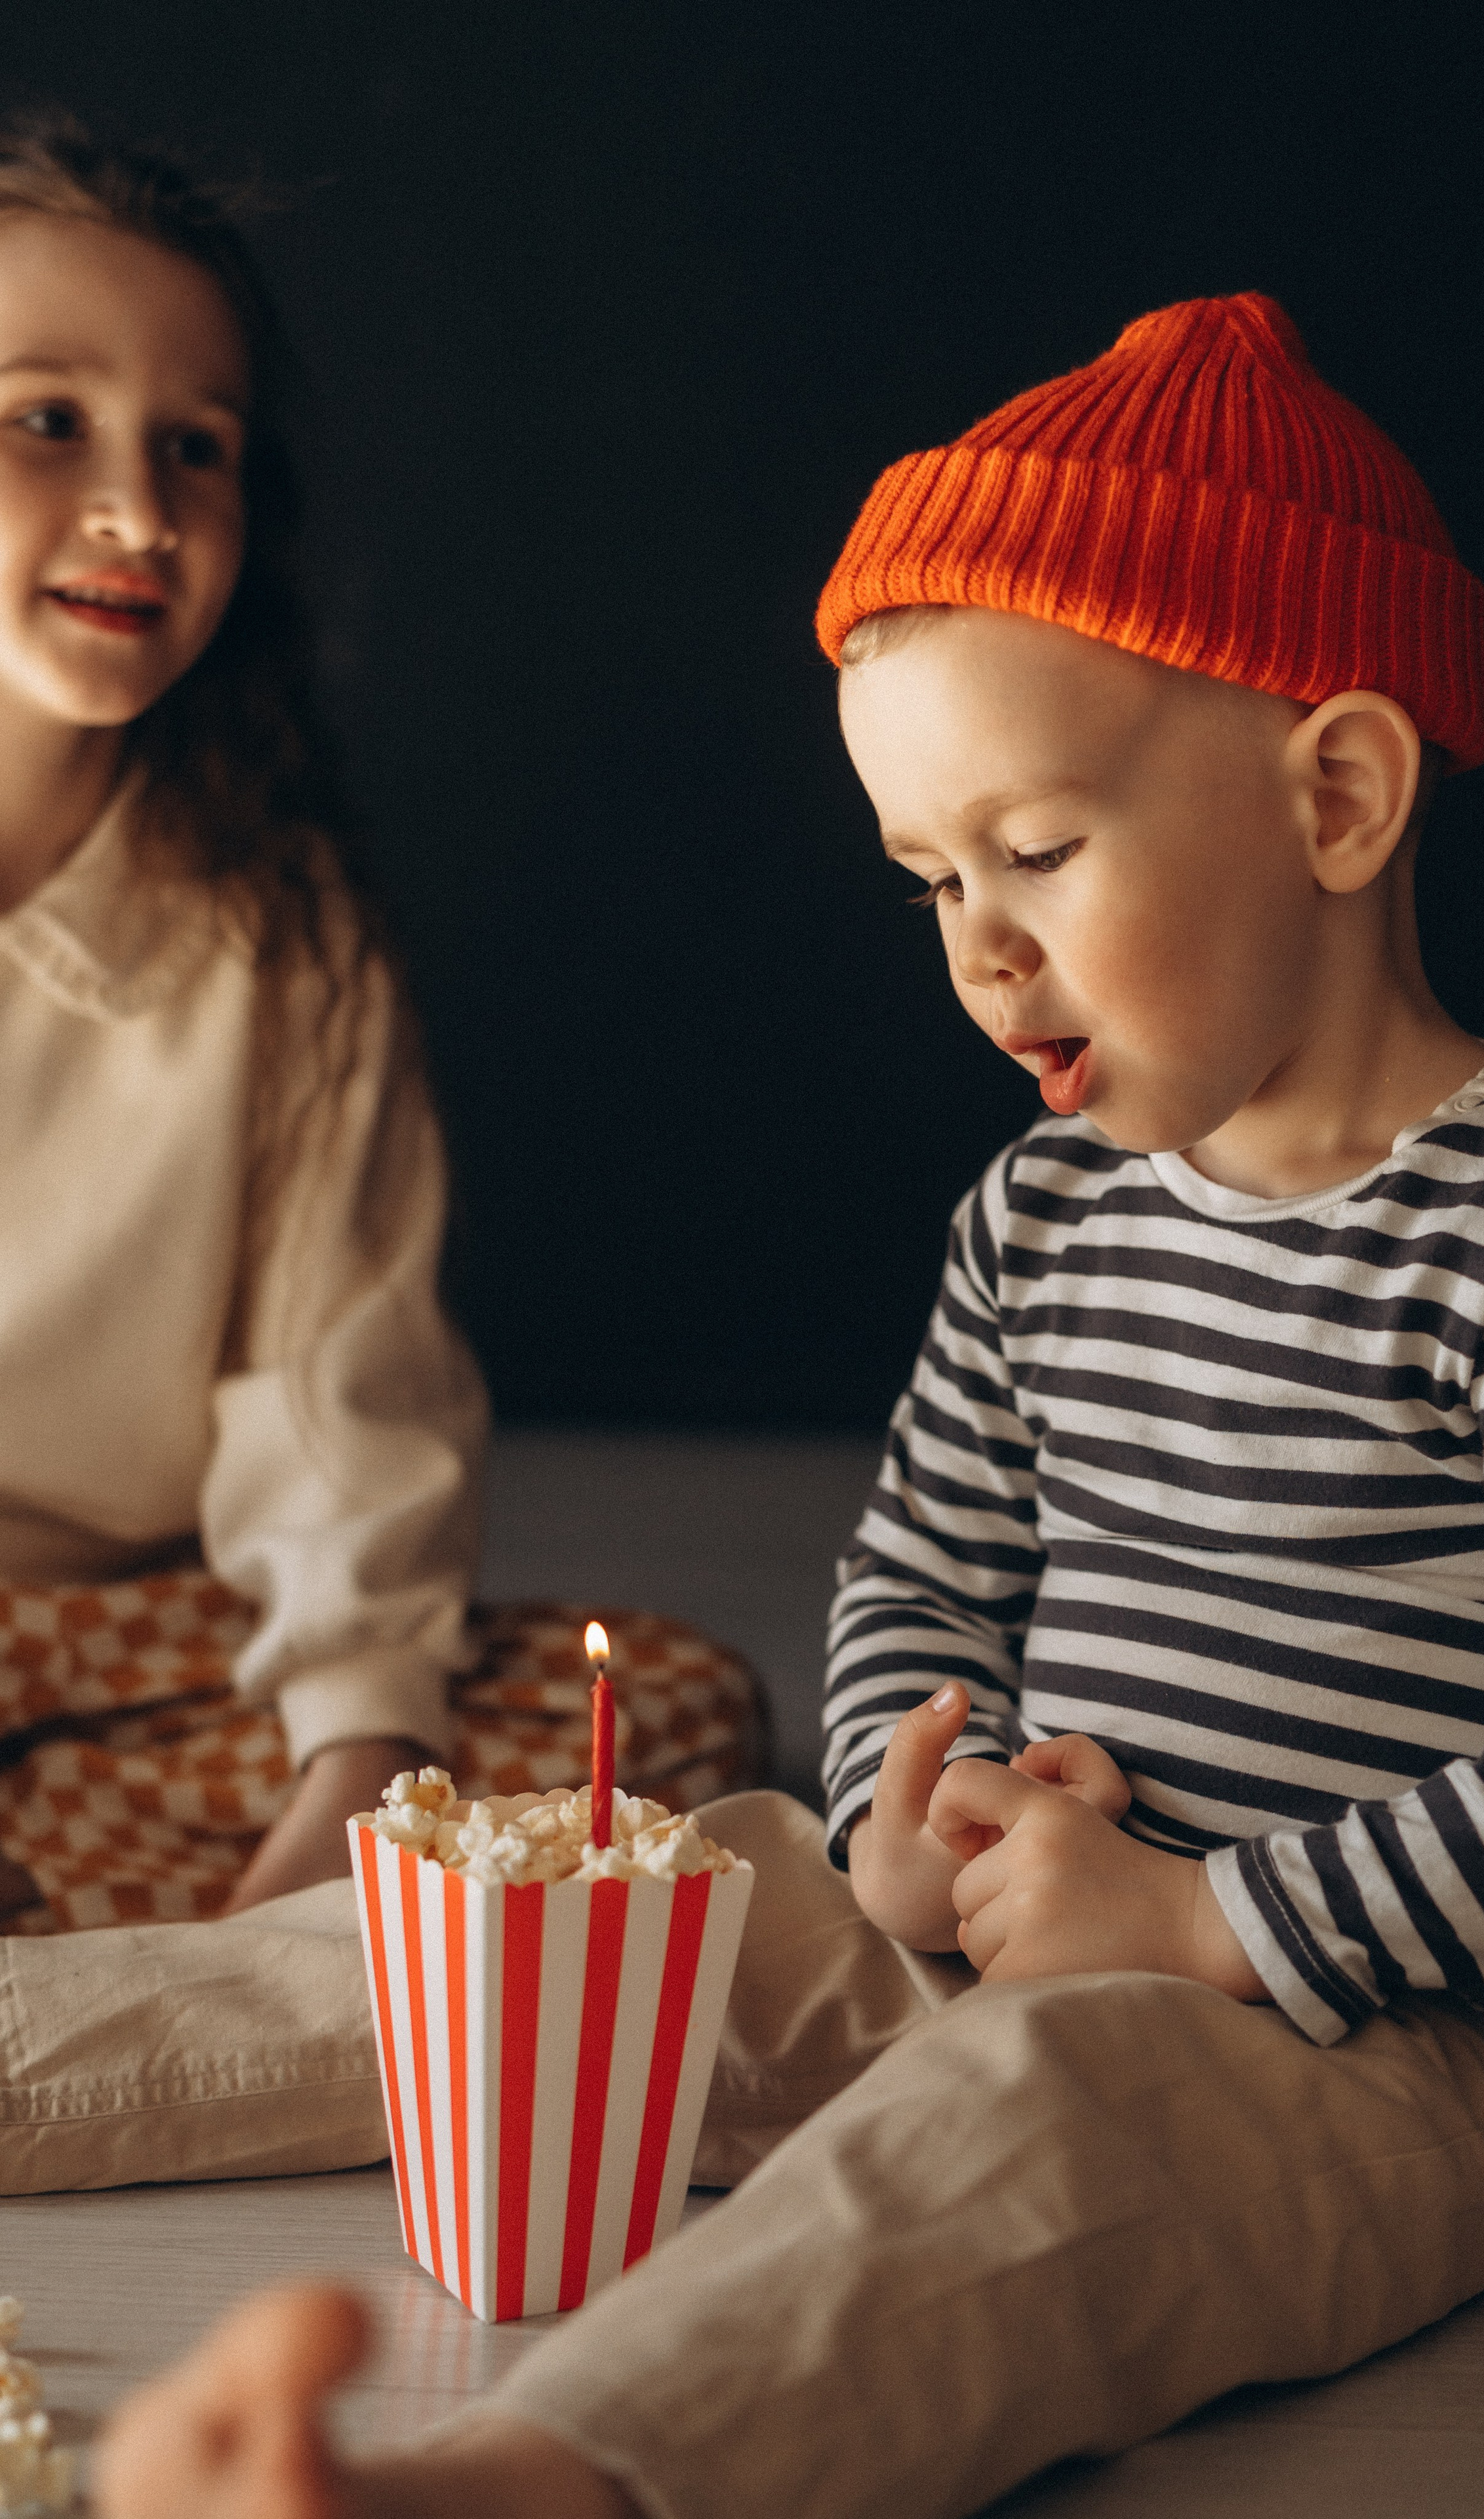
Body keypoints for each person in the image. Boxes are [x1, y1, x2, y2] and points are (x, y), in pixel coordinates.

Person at [90, 291, 1484, 2517]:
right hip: (1018, 1902)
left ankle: (523, 2481)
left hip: (1352, 2030)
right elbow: (926, 1559)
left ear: (1336, 795)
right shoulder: (1042, 1213)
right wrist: (888, 1817)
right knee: (576, 1903)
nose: (976, 949)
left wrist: (1209, 1926)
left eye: (1034, 851)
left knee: (1013, 2165)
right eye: (931, 881)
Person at [0, 112, 759, 1943]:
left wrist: (355, 1748)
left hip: (130, 1641)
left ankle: (157, 1951)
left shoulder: (285, 942)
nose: (138, 511)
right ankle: (196, 1979)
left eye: (201, 448)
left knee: (664, 1713)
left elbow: (340, 1400)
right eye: (45, 419)